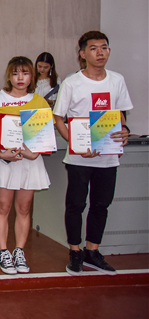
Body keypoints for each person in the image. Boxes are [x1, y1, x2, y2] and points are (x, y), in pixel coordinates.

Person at [53, 31, 132, 276]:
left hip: (108, 157)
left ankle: (92, 251)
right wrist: (75, 143)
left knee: (101, 205)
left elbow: (121, 114)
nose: (100, 53)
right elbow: (58, 118)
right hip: (80, 158)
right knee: (76, 205)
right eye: (94, 48)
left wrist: (125, 130)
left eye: (104, 47)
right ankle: (75, 252)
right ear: (82, 54)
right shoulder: (72, 83)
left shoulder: (117, 80)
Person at [0, 56, 52, 275]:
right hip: (5, 161)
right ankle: (4, 252)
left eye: (25, 73)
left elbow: (44, 135)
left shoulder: (39, 102)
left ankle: (19, 251)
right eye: (15, 73)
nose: (20, 78)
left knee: (24, 208)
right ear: (9, 76)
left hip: (30, 162)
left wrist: (34, 153)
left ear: (32, 76)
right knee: (3, 207)